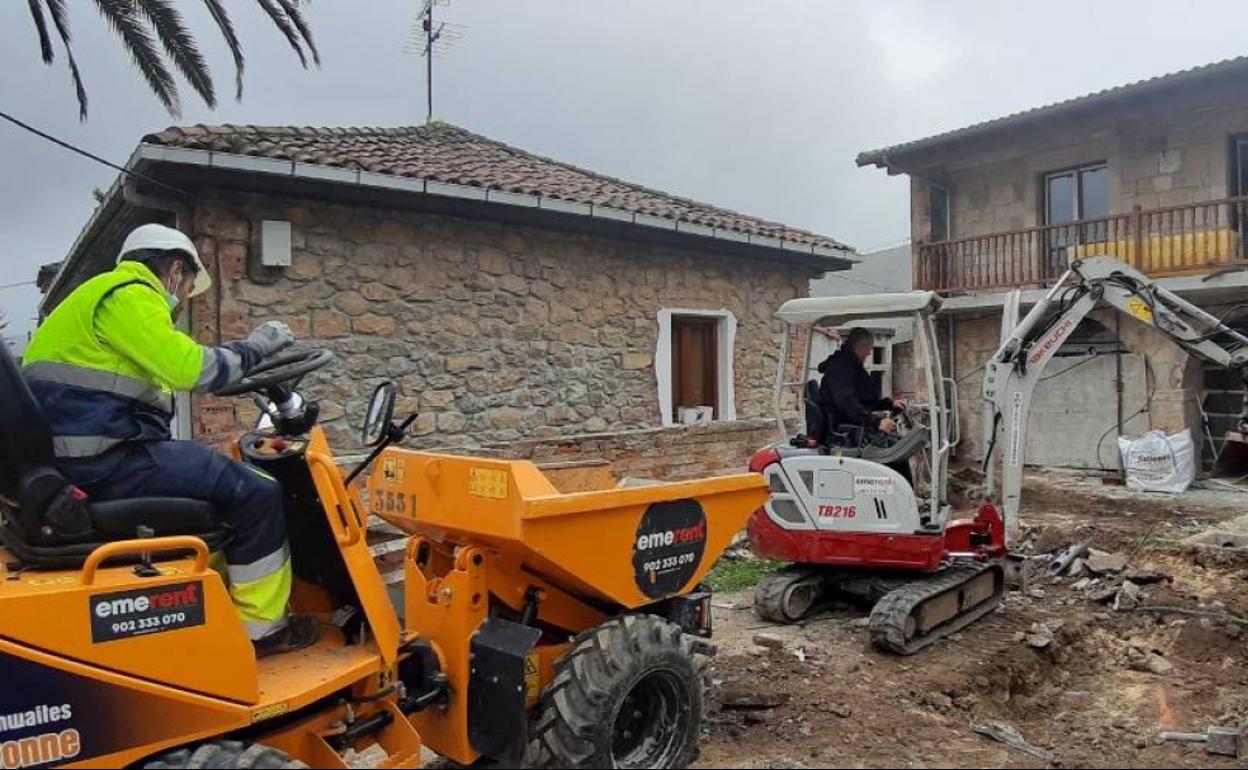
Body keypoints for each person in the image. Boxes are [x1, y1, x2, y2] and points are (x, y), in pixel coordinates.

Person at [22, 223, 318, 658]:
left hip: (78, 458)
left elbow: (159, 376)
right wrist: (256, 346)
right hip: (103, 460)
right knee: (256, 491)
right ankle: (263, 631)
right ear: (175, 270)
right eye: (183, 283)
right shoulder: (131, 293)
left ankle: (212, 606)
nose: (180, 296)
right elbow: (191, 371)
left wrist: (237, 368)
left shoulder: (88, 305)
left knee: (212, 487)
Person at [816, 327, 905, 441]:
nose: (869, 353)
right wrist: (876, 422)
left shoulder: (852, 365)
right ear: (861, 347)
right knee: (893, 442)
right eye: (869, 349)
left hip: (850, 421)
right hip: (843, 429)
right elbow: (847, 402)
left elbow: (864, 398)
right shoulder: (842, 368)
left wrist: (890, 404)